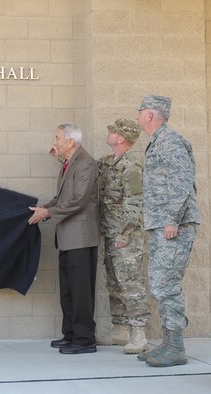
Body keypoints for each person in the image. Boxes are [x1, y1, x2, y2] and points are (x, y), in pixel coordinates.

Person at [136, 96, 200, 367]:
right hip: (163, 224)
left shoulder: (170, 141)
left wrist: (172, 220)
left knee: (166, 284)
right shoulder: (158, 142)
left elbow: (182, 181)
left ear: (150, 115)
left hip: (173, 226)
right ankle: (167, 342)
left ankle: (176, 347)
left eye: (140, 111)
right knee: (160, 284)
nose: (137, 116)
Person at [29, 123, 100, 354]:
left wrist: (47, 213)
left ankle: (85, 340)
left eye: (57, 137)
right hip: (68, 237)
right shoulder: (70, 163)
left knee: (81, 292)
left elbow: (78, 200)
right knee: (69, 290)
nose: (55, 141)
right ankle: (70, 335)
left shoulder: (86, 163)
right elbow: (61, 198)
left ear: (70, 141)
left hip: (80, 238)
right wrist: (43, 208)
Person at [97, 118, 150, 354]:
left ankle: (139, 334)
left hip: (125, 238)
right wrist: (61, 155)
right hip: (110, 234)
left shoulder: (131, 167)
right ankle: (120, 330)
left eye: (112, 131)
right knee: (115, 283)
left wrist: (124, 234)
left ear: (120, 138)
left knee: (131, 284)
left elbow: (135, 204)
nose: (108, 133)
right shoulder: (108, 163)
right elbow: (84, 168)